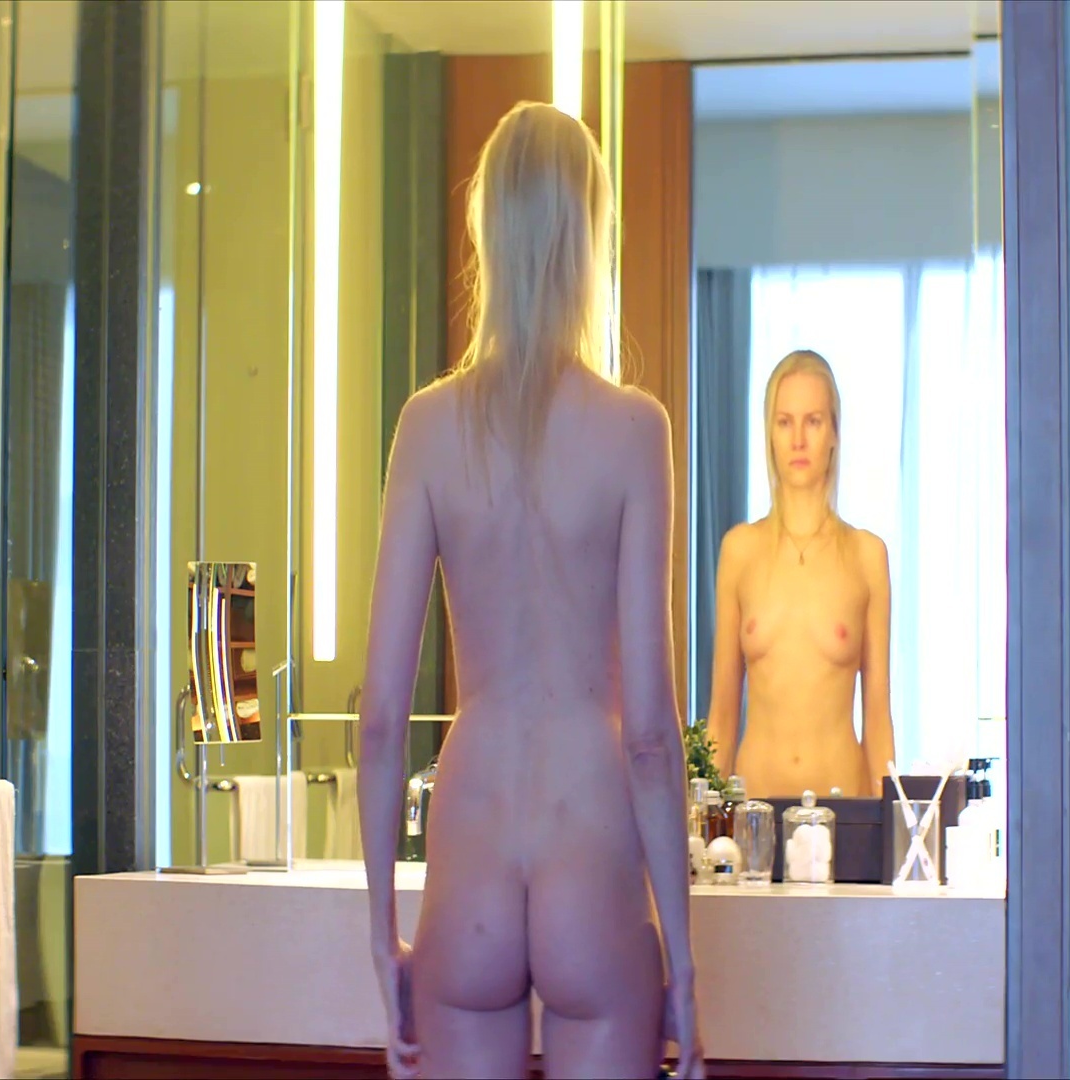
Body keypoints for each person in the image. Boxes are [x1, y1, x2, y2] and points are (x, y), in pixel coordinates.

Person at [357, 101, 703, 1080]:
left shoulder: (426, 427)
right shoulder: (634, 430)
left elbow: (380, 722)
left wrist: (381, 935)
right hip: (591, 847)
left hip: (469, 841)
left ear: (487, 233)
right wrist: (682, 963)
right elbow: (649, 734)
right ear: (591, 235)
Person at [704, 350, 895, 799]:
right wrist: (700, 825)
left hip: (845, 812)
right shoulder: (740, 551)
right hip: (754, 818)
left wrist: (893, 827)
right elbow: (722, 717)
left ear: (834, 433)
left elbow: (878, 719)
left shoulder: (867, 556)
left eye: (813, 421)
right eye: (784, 422)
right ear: (769, 434)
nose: (798, 440)